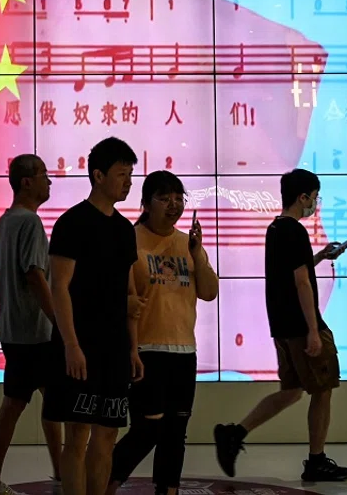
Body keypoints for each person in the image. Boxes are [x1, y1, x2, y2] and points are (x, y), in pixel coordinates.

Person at [213, 168, 347, 483]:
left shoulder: (276, 229)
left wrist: (319, 257)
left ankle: (234, 433)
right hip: (301, 326)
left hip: (282, 326)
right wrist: (314, 330)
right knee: (323, 389)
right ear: (302, 197)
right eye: (314, 197)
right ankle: (316, 460)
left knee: (292, 390)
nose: (316, 203)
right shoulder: (295, 231)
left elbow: (294, 271)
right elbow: (301, 282)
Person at [42, 137, 145, 495]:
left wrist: (132, 349)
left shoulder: (123, 229)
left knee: (107, 436)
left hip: (115, 349)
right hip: (80, 347)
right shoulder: (71, 224)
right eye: (121, 174)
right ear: (98, 175)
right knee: (78, 435)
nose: (128, 182)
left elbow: (128, 294)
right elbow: (59, 288)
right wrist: (70, 344)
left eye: (130, 174)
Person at [106, 171, 219, 495]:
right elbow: (116, 292)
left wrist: (197, 253)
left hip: (183, 350)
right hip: (144, 349)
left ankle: (167, 490)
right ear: (145, 202)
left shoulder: (188, 243)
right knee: (147, 427)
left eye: (178, 198)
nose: (173, 204)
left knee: (175, 431)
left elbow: (209, 292)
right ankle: (102, 481)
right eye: (164, 197)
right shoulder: (130, 239)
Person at [0, 154, 63, 495]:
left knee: (41, 400)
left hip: (16, 330)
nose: (49, 181)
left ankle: (59, 472)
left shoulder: (5, 222)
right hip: (35, 332)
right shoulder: (28, 223)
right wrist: (58, 319)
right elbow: (34, 274)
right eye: (44, 174)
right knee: (26, 403)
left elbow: (0, 276)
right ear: (26, 181)